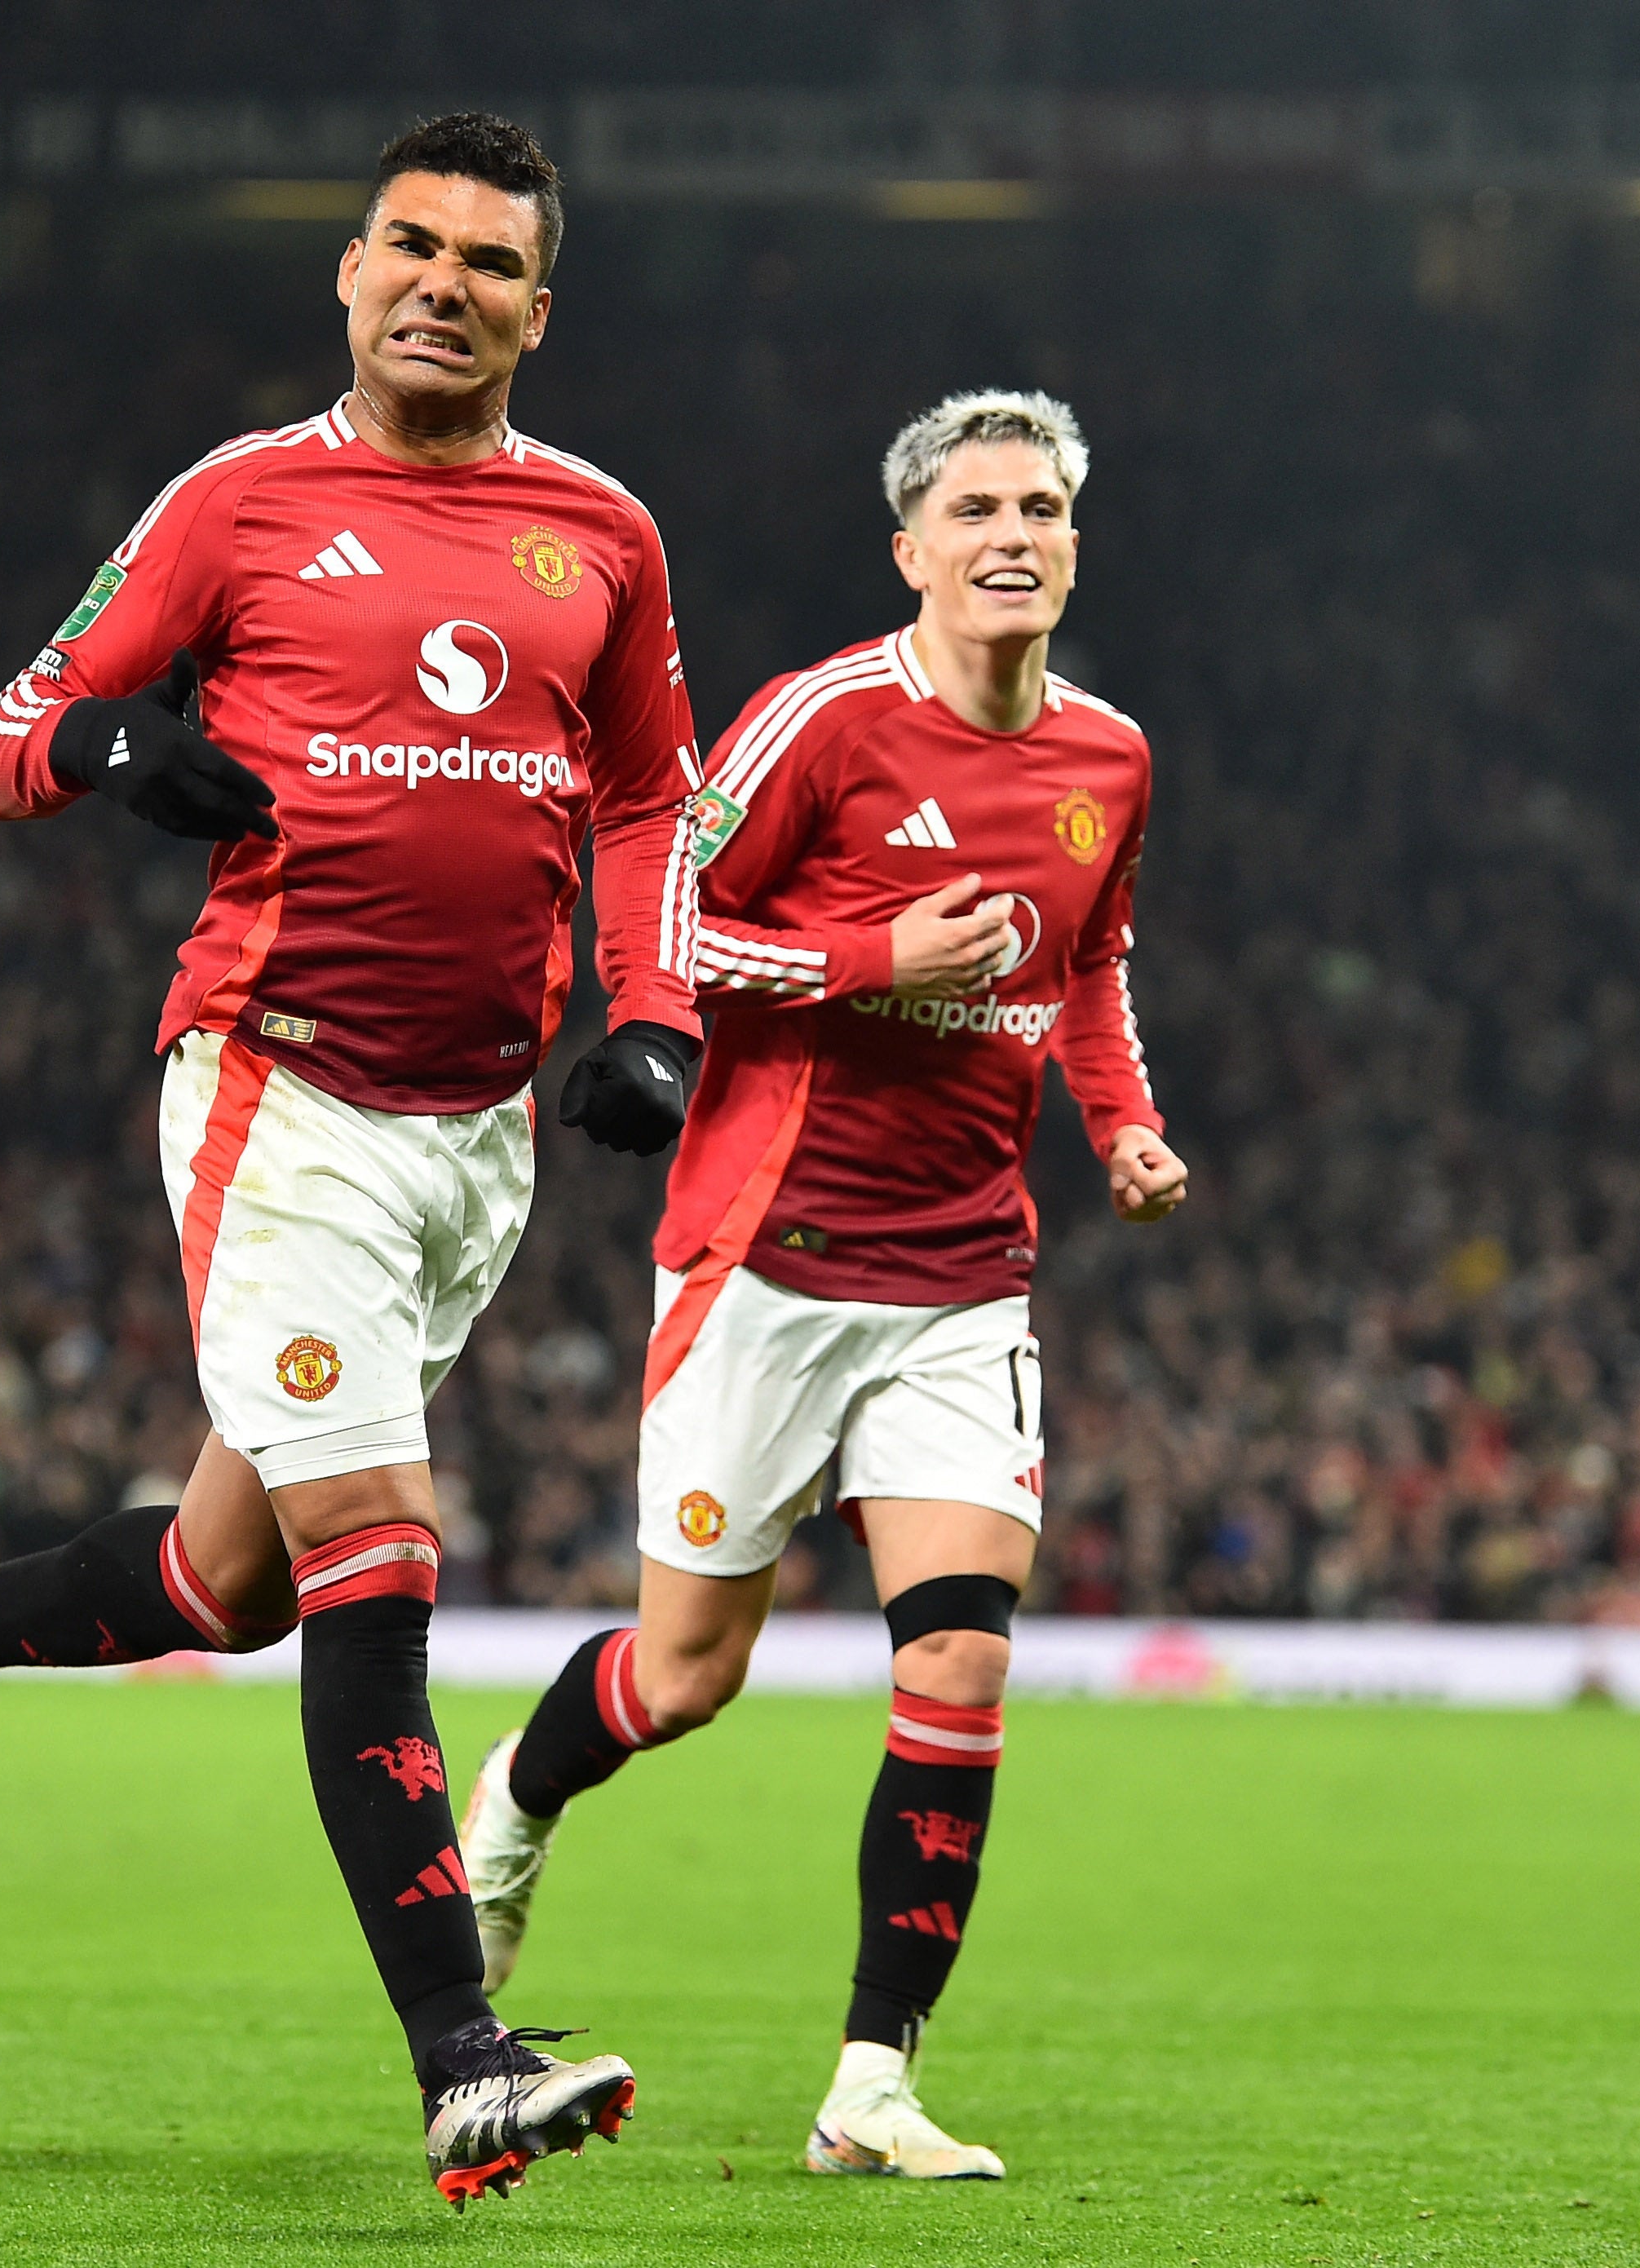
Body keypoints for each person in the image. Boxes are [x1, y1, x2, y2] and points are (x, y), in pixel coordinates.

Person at [0, 112, 710, 2209]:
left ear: (536, 310)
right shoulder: (237, 499)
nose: (441, 281)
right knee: (379, 1564)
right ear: (348, 271)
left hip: (475, 1134)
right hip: (276, 1092)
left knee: (227, 1580)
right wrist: (114, 744)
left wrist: (653, 1009)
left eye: (488, 260)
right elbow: (9, 734)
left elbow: (657, 804)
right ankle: (460, 2057)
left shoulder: (604, 533)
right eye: (410, 244)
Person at [456, 390, 1190, 2179]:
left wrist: (1125, 1127)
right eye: (976, 508)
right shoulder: (821, 720)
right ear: (912, 550)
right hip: (764, 1263)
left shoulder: (1110, 757)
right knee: (687, 1672)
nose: (1012, 533)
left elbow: (1087, 972)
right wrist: (875, 953)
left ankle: (871, 2079)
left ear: (1072, 541)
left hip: (960, 1282)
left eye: (1041, 506)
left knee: (955, 1661)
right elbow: (661, 928)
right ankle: (514, 1805)